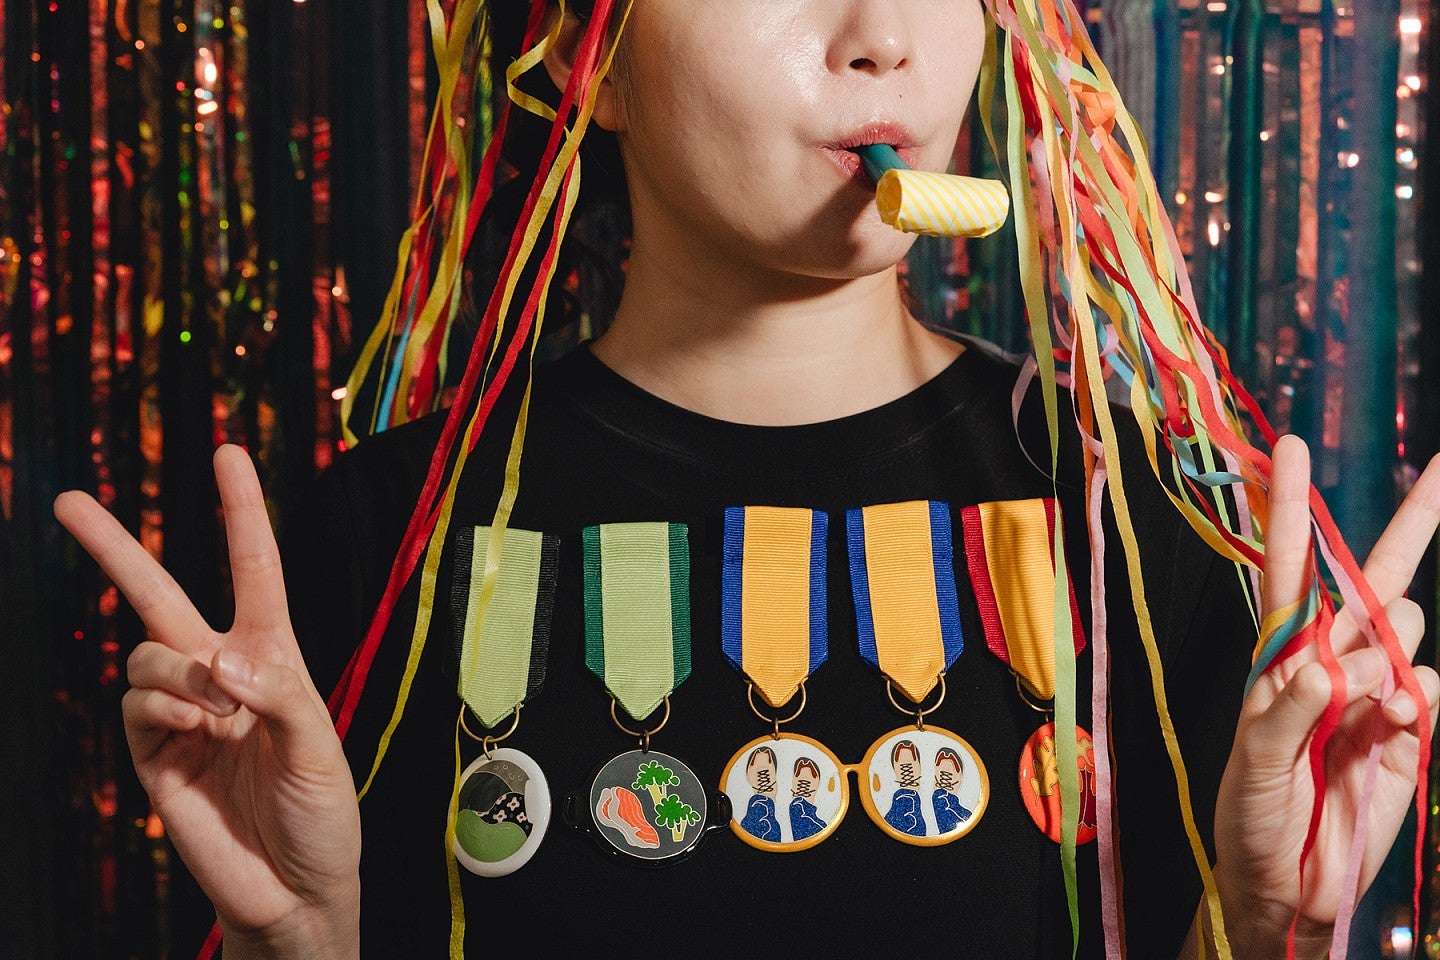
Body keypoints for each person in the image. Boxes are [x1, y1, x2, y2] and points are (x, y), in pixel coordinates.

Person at [52, 1, 1440, 957]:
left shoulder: (1141, 529)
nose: (883, 39)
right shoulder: (373, 540)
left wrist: (1270, 937)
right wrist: (300, 943)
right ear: (584, 54)